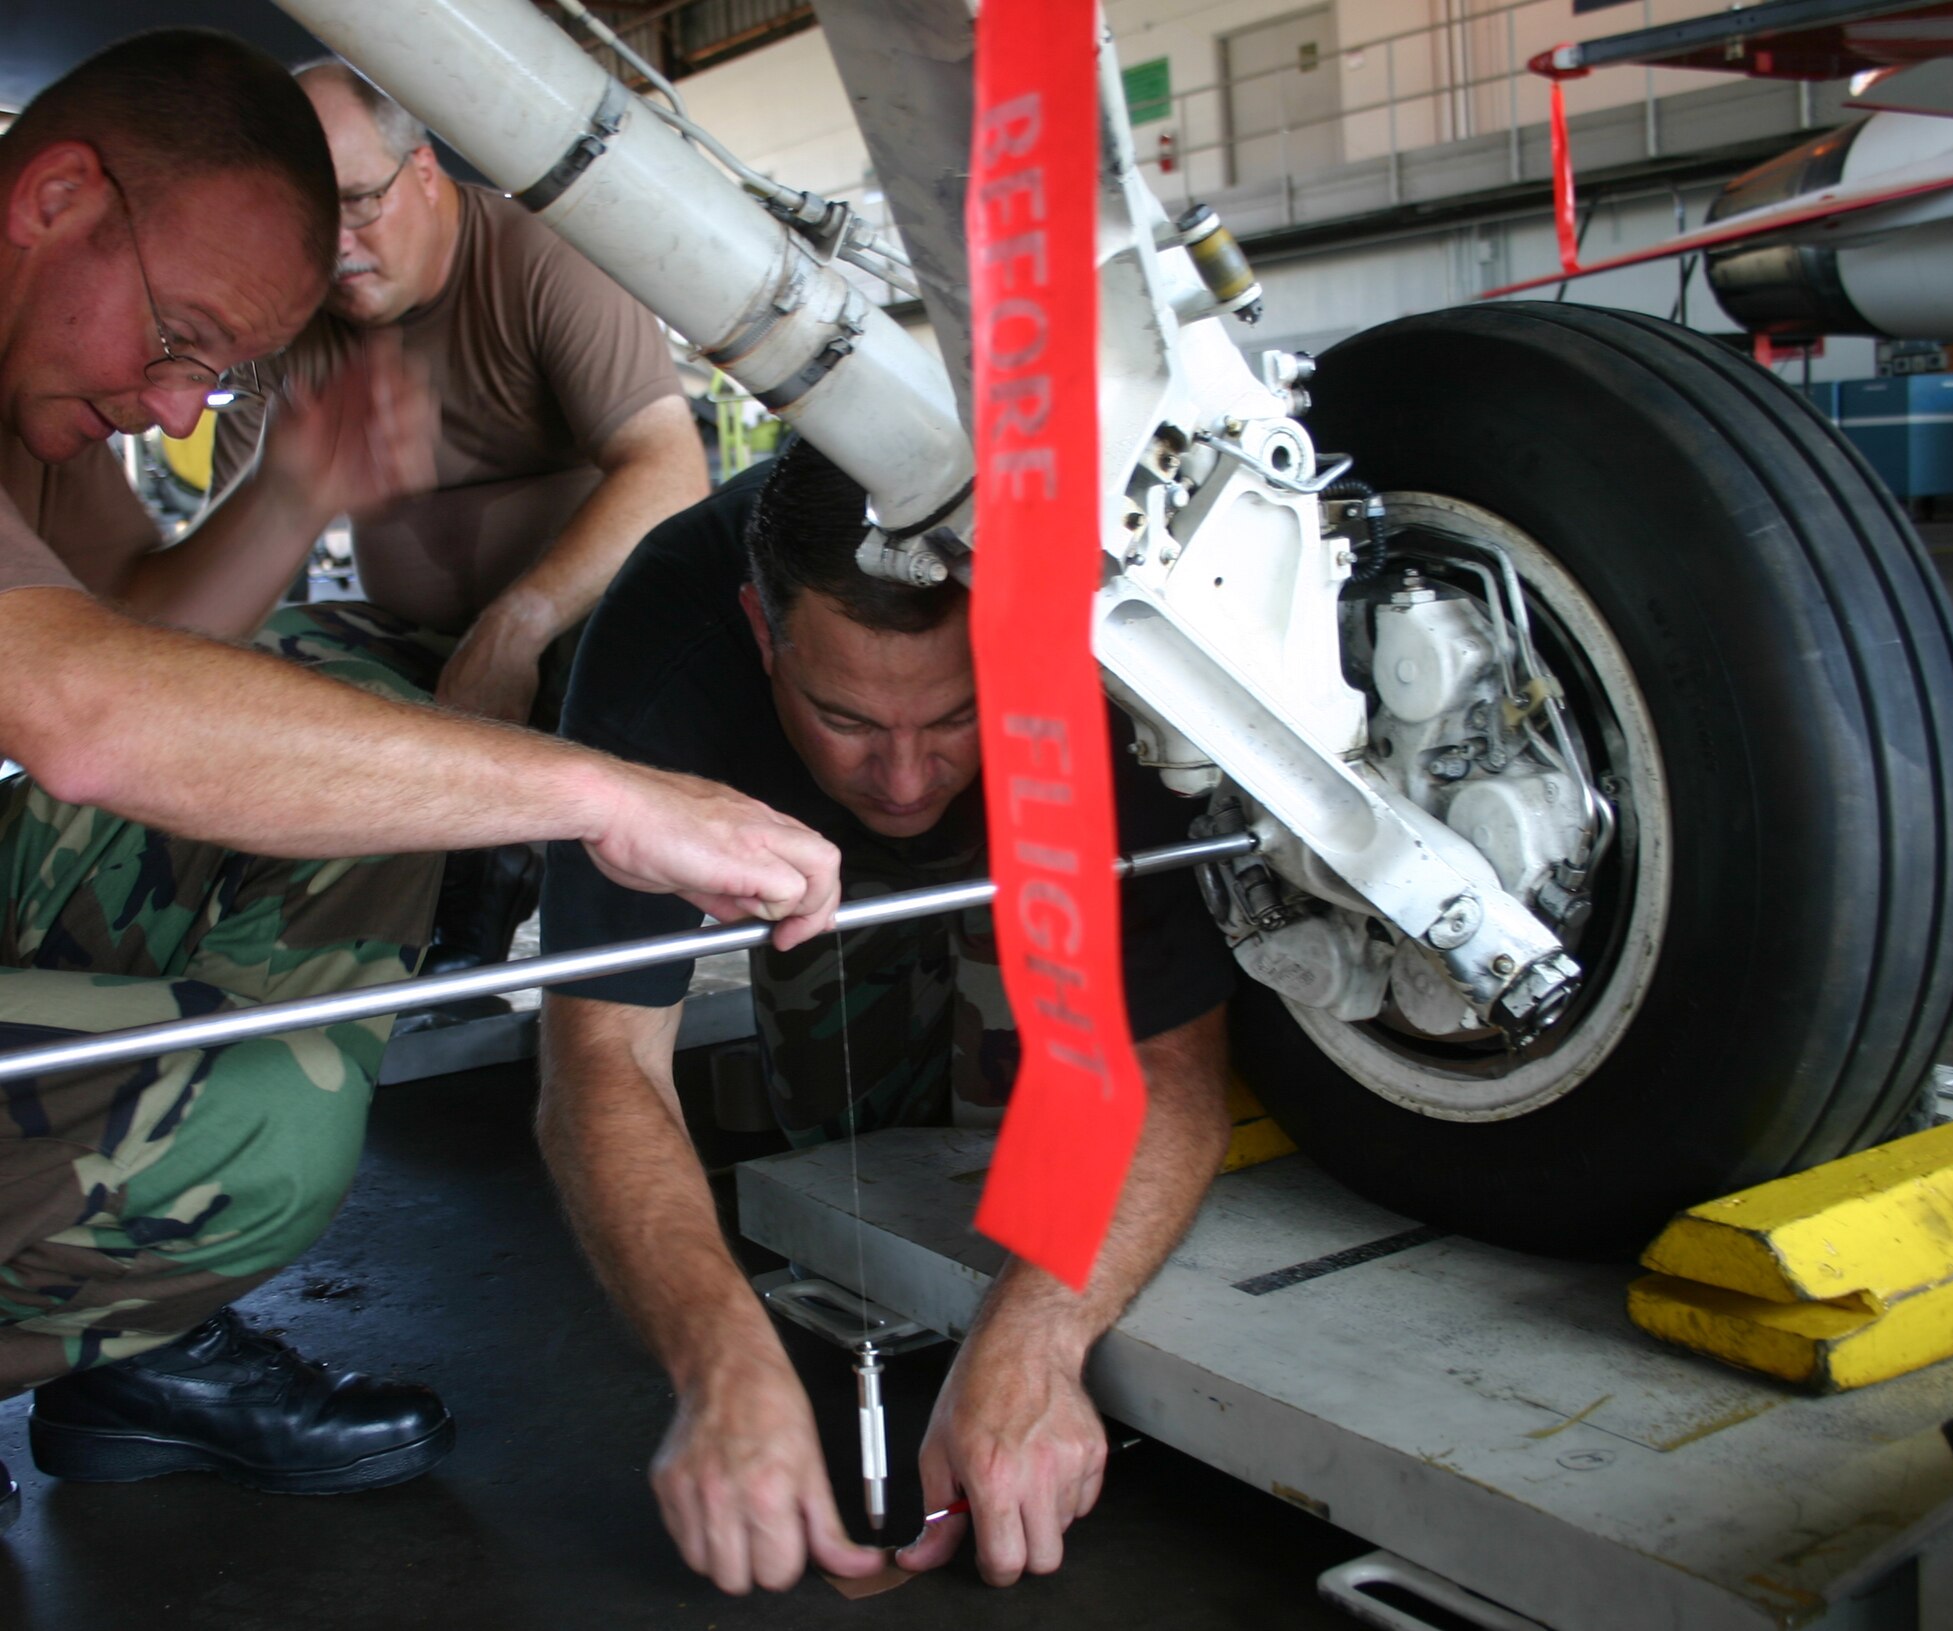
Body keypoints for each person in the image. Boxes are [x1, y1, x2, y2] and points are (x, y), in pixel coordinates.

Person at [0, 30, 838, 1536]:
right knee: (268, 1122)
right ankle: (122, 1267)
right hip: (394, 684)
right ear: (55, 198)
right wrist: (598, 793)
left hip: (511, 661)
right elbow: (89, 707)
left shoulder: (44, 389)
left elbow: (140, 638)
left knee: (323, 777)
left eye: (217, 366)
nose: (183, 410)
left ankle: (138, 1336)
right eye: (179, 338)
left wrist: (308, 491)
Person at [538, 442, 1237, 1594]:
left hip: (1035, 811)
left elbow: (1172, 1054)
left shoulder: (1106, 645)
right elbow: (601, 1056)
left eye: (952, 714)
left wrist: (1033, 1338)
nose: (906, 778)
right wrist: (721, 1357)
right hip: (780, 843)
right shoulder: (660, 654)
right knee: (850, 1146)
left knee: (1017, 1134)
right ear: (763, 635)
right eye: (847, 715)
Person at [212, 59, 711, 971]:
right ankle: (269, 934)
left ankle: (558, 937)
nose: (334, 248)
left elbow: (671, 470)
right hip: (402, 639)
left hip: (565, 635)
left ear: (426, 167)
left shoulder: (539, 253)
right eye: (304, 222)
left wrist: (515, 625)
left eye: (358, 201)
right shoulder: (279, 311)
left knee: (631, 658)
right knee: (238, 663)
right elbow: (220, 561)